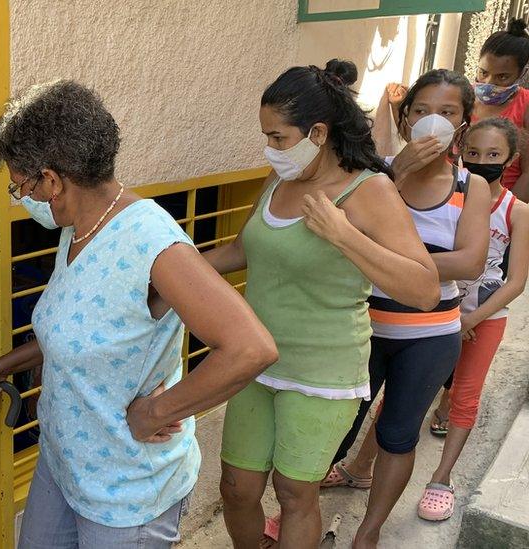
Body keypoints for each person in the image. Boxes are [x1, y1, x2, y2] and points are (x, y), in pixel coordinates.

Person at [0, 79, 278, 548]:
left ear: (51, 180)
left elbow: (251, 349)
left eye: (19, 185)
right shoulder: (79, 228)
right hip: (65, 461)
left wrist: (156, 411)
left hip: (128, 491)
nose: (21, 197)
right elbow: (77, 332)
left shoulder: (151, 242)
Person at [204, 59, 440, 549]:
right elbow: (242, 250)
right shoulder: (280, 182)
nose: (271, 149)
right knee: (237, 487)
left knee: (294, 493)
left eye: (278, 138)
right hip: (255, 361)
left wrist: (343, 234)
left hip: (323, 370)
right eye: (266, 136)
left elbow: (423, 289)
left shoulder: (368, 189)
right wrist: (169, 273)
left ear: (317, 132)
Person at [320, 69, 491, 549]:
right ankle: (301, 512)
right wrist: (395, 174)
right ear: (404, 117)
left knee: (398, 434)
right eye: (420, 111)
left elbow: (470, 261)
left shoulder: (470, 185)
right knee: (333, 426)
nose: (431, 121)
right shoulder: (375, 173)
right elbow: (338, 235)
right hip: (361, 326)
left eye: (446, 112)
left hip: (430, 335)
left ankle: (368, 532)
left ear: (464, 124)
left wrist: (384, 256)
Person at [415, 117, 529, 521]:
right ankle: (362, 468)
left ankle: (441, 479)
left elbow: (515, 281)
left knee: (465, 395)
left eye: (494, 155)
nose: (482, 161)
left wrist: (472, 320)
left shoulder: (518, 211)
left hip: (484, 318)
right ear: (460, 149)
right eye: (474, 153)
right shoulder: (450, 196)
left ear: (511, 159)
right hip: (435, 312)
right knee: (408, 390)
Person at [471, 18, 529, 200]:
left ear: (522, 74)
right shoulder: (463, 98)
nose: (489, 83)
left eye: (502, 77)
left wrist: (504, 214)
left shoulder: (526, 106)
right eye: (483, 72)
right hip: (458, 199)